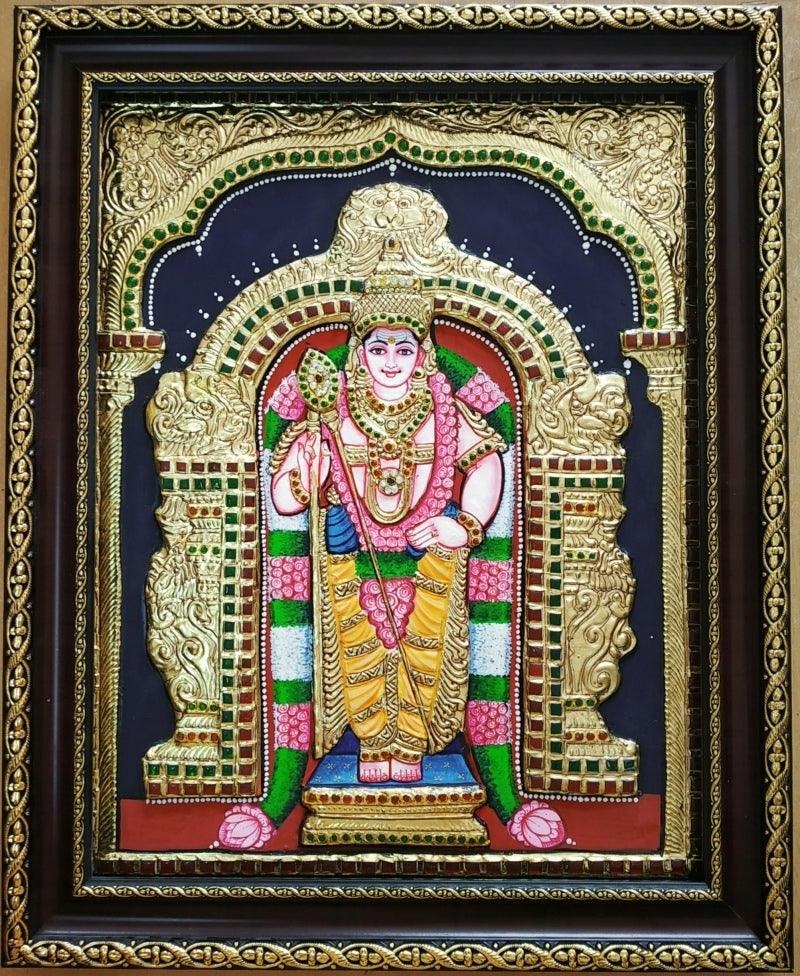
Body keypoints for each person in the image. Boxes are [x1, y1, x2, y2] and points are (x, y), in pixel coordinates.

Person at [271, 271, 505, 783]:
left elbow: (486, 463)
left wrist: (464, 526)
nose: (392, 362)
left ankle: (412, 746)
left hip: (428, 562)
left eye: (404, 349)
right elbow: (284, 498)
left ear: (422, 355)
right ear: (360, 354)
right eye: (379, 350)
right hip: (352, 559)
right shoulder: (331, 413)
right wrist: (307, 475)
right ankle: (374, 745)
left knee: (424, 656)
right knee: (359, 654)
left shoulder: (444, 411)